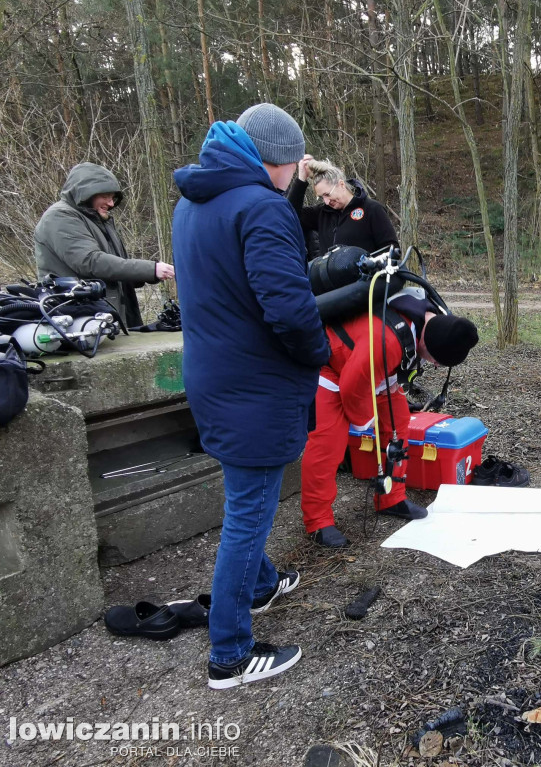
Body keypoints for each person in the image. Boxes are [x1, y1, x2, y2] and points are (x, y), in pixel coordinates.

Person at [172, 103, 331, 688]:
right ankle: (231, 654)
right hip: (254, 385)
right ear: (279, 161)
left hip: (213, 377)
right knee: (249, 510)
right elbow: (287, 308)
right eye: (294, 165)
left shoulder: (193, 202)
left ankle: (261, 585)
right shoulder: (262, 206)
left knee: (244, 493)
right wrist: (319, 351)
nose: (296, 177)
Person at [301, 299, 478, 548]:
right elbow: (352, 388)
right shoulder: (387, 342)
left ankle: (391, 498)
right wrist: (365, 421)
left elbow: (399, 361)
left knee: (398, 424)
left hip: (377, 367)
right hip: (331, 365)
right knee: (328, 444)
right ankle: (318, 521)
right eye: (435, 361)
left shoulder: (432, 318)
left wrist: (394, 379)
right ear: (426, 343)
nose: (435, 365)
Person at [34, 162, 175, 328]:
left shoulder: (98, 220)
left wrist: (150, 274)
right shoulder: (60, 216)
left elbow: (116, 268)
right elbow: (90, 262)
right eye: (105, 196)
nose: (111, 203)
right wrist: (151, 269)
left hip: (106, 317)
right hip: (78, 320)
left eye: (113, 197)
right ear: (86, 193)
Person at [287, 156, 398, 259]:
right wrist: (301, 180)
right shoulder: (322, 213)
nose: (326, 202)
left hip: (367, 279)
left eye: (327, 194)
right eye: (321, 197)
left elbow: (391, 250)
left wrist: (367, 268)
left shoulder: (372, 209)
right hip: (329, 279)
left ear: (341, 185)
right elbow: (289, 215)